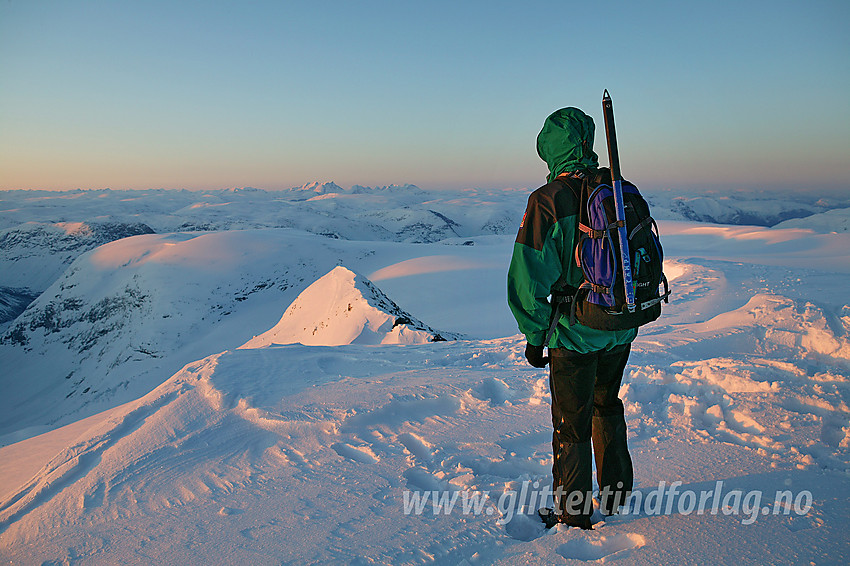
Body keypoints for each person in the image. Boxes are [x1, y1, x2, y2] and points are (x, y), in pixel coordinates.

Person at [507, 107, 635, 529]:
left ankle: (574, 514)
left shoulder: (548, 200)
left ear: (550, 149)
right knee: (607, 404)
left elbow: (528, 278)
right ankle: (617, 496)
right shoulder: (619, 189)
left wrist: (535, 334)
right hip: (620, 323)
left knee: (571, 424)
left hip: (575, 334)